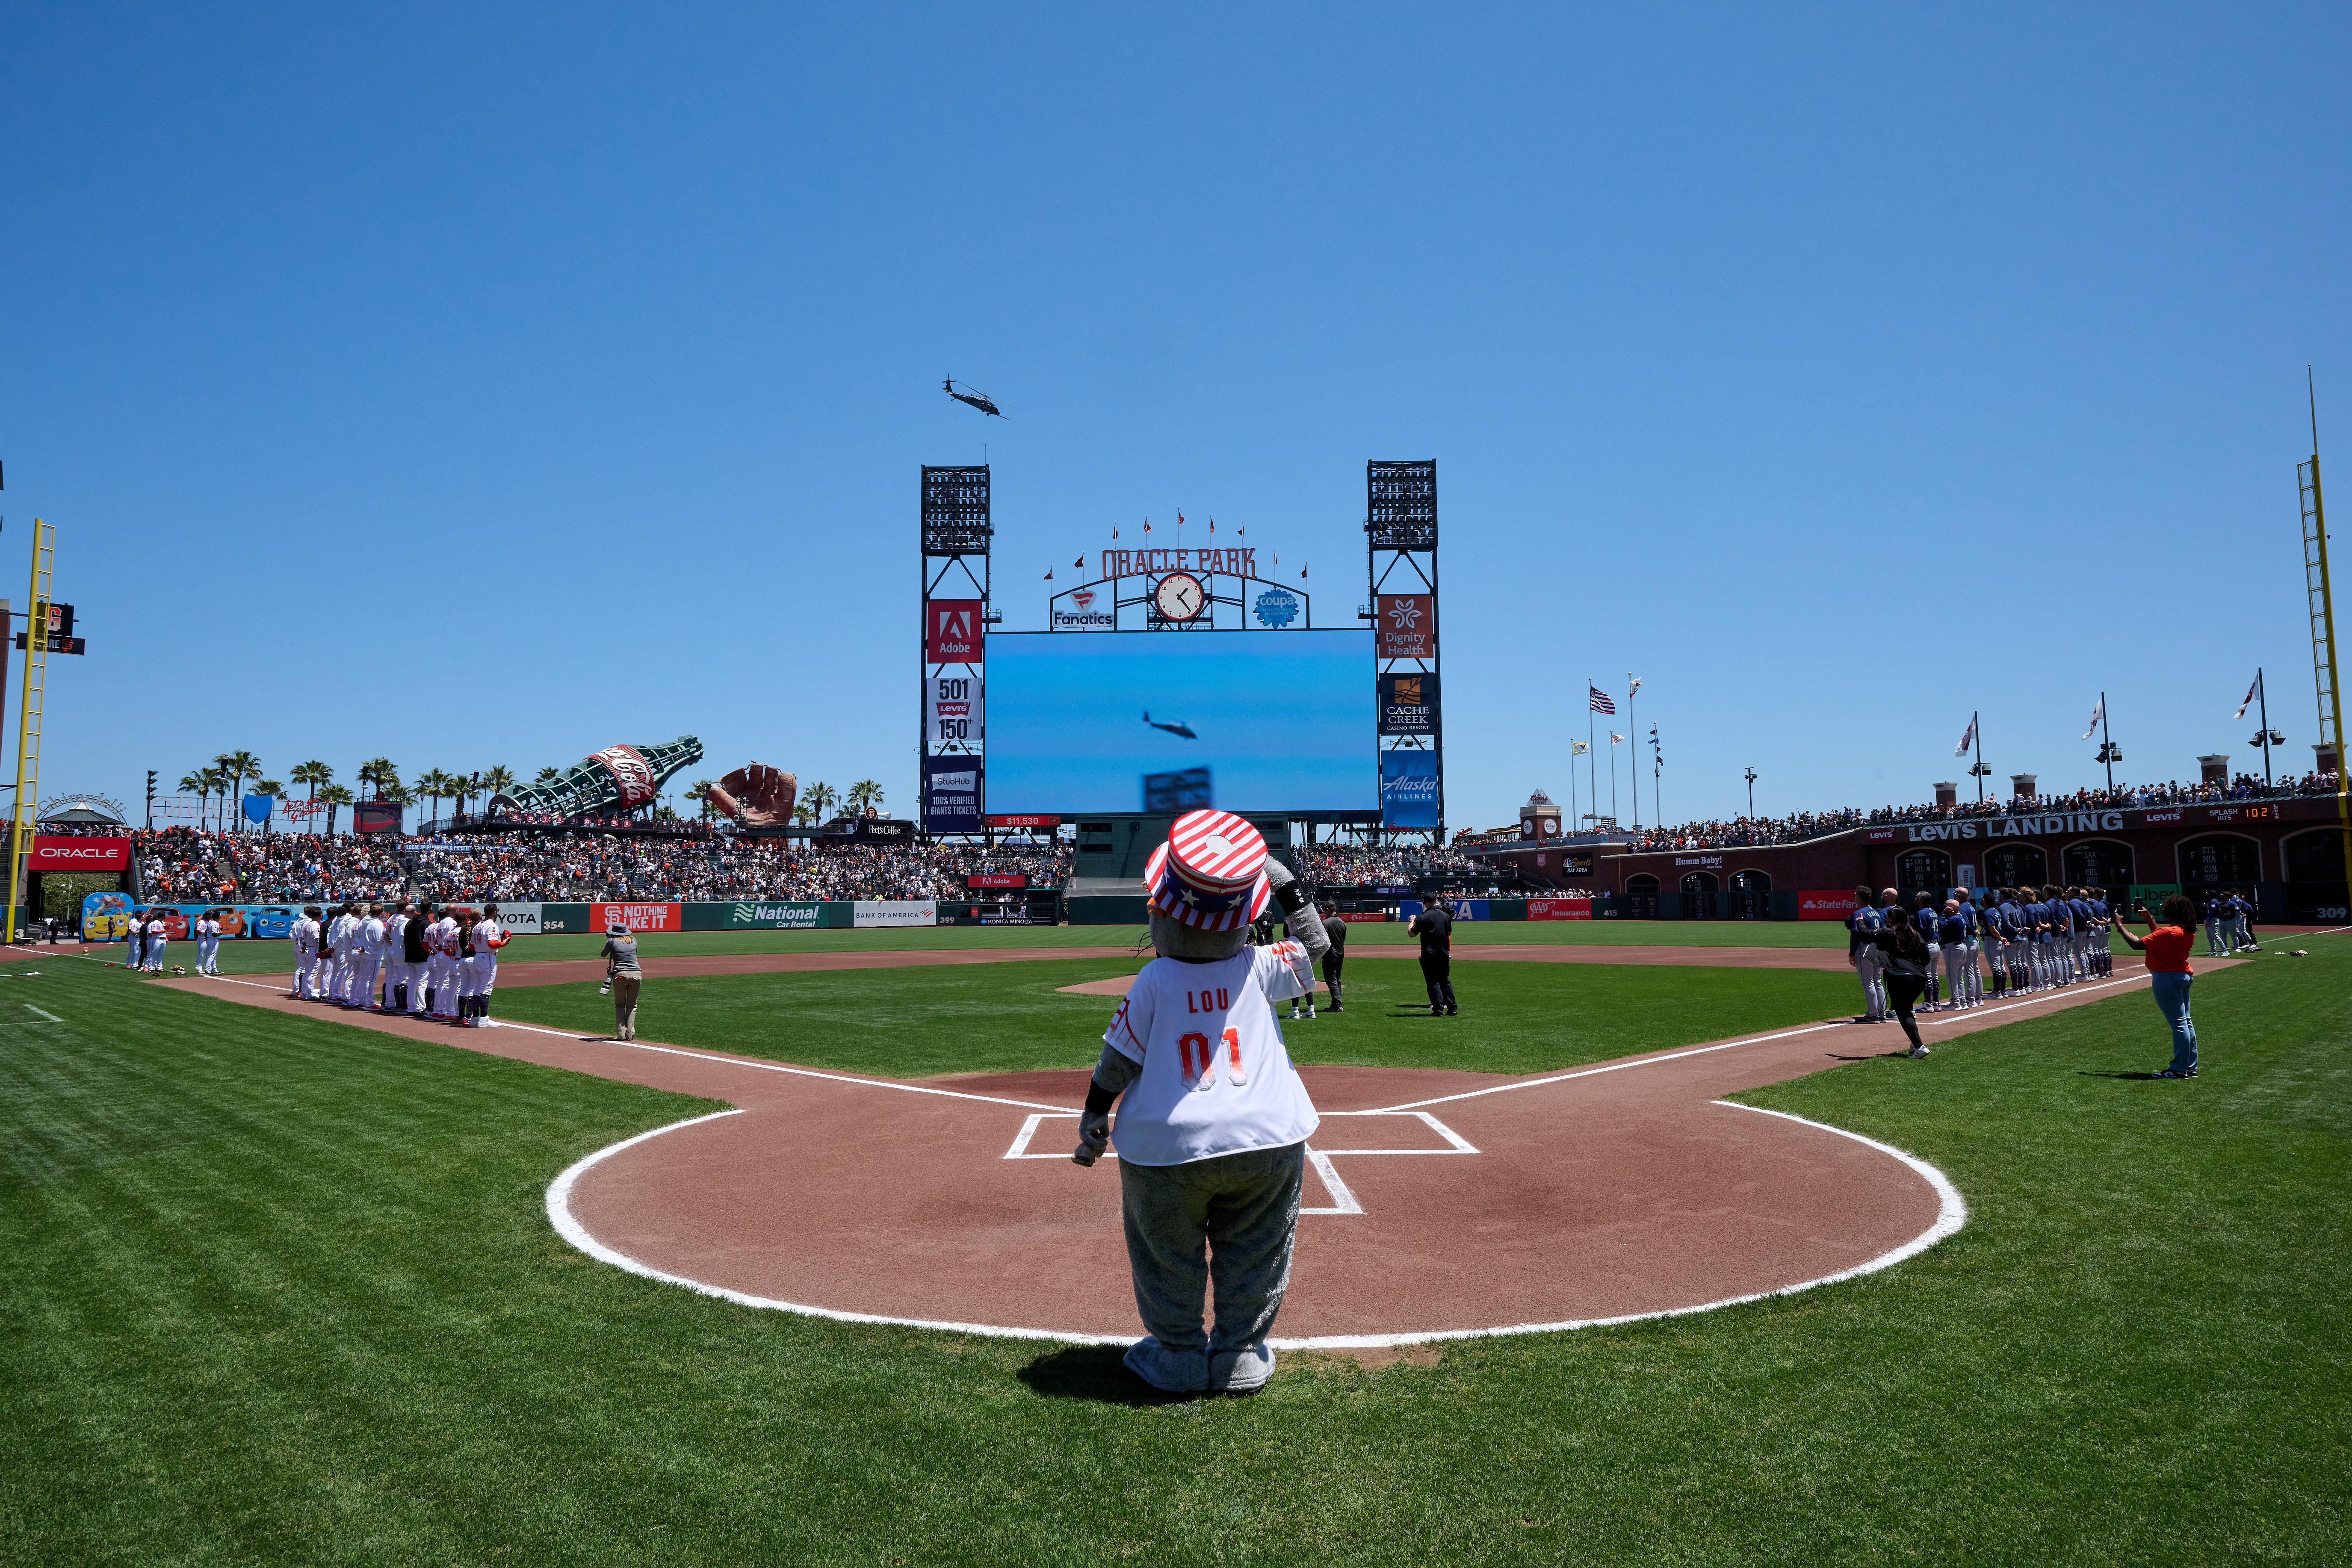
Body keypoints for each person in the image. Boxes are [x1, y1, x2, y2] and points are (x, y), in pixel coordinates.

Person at [1069, 810, 1332, 1395]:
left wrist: (1093, 1115)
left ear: (1165, 909)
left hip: (1169, 1147)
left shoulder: (1155, 979)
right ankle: (1239, 1352)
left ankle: (1181, 1353)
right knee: (1258, 1248)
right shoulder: (1259, 964)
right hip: (1269, 1135)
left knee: (1167, 1253)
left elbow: (1117, 1062)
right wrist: (1273, 871)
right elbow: (1316, 940)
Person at [2114, 893, 2201, 1078]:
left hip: (2167, 978)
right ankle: (2189, 1067)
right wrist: (2150, 919)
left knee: (2178, 1024)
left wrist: (2120, 925)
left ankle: (2179, 1069)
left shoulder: (2169, 932)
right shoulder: (2185, 930)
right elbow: (2161, 938)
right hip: (2181, 975)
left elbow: (2137, 945)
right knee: (2186, 1022)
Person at [1865, 904, 1934, 1058]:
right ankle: (1913, 1044)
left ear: (1890, 919)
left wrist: (1860, 921)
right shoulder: (1915, 934)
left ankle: (1919, 1046)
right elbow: (1926, 958)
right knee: (1907, 1009)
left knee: (1902, 1012)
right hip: (1919, 979)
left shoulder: (1889, 932)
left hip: (1900, 979)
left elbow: (1865, 934)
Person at [1409, 897, 1457, 1016]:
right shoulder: (1446, 916)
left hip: (1429, 954)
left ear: (1425, 903)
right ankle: (1452, 1008)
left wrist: (1412, 921)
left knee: (1433, 982)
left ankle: (1438, 1010)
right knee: (1445, 981)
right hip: (1444, 953)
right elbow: (1449, 934)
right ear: (1435, 902)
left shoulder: (1423, 917)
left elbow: (1412, 934)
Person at [1847, 886, 1887, 1023]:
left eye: (1855, 894)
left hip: (1865, 948)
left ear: (1859, 897)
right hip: (1878, 948)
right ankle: (1882, 1014)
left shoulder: (1859, 914)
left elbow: (1856, 935)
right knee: (1877, 981)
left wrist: (1852, 953)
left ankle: (1872, 1015)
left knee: (1868, 983)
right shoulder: (1876, 913)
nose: (1854, 896)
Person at [601, 921, 643, 1039]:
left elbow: (603, 954)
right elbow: (634, 953)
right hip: (636, 974)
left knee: (620, 1005)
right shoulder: (633, 940)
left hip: (620, 974)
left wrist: (611, 942)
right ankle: (630, 1034)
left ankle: (621, 1034)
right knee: (632, 1005)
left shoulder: (612, 941)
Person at [1937, 900, 1971, 1010]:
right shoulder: (1960, 918)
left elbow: (1940, 925)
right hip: (1961, 947)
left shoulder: (1954, 918)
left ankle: (1955, 1003)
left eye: (1946, 907)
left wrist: (1944, 913)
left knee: (1952, 977)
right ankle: (1962, 1001)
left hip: (1953, 948)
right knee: (1959, 977)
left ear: (1950, 908)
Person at [1315, 901, 1346, 1014]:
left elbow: (1322, 940)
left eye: (1324, 909)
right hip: (1340, 953)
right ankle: (1336, 1004)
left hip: (1330, 954)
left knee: (1331, 979)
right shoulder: (1342, 922)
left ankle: (1338, 1005)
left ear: (1328, 909)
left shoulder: (1326, 923)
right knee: (1337, 979)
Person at [291, 905, 322, 998]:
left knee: (307, 972)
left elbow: (302, 938)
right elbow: (317, 939)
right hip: (314, 949)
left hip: (307, 948)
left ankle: (304, 992)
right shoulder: (315, 925)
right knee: (312, 973)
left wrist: (304, 946)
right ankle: (309, 993)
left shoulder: (307, 924)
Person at [195, 909, 222, 976]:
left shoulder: (210, 922)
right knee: (201, 955)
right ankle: (199, 968)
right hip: (202, 940)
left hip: (208, 939)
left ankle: (212, 969)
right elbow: (198, 932)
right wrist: (207, 932)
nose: (211, 917)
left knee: (210, 955)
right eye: (210, 916)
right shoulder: (201, 922)